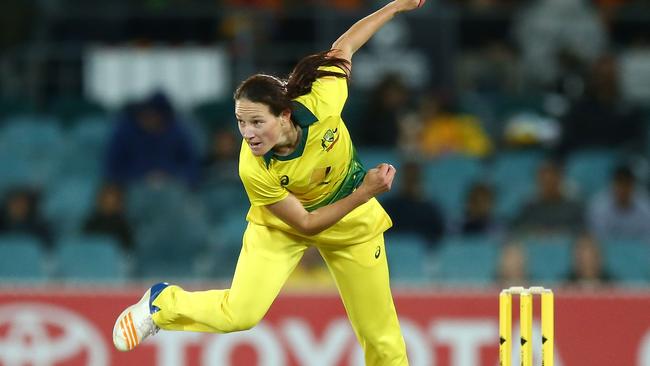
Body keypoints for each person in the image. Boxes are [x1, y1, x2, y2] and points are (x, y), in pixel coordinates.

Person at [113, 2, 427, 364]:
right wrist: (365, 193)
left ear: (285, 114)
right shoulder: (253, 167)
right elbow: (306, 224)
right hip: (284, 227)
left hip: (352, 226)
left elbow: (346, 45)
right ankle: (160, 303)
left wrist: (397, 5)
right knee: (240, 315)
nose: (247, 134)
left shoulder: (323, 101)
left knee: (382, 339)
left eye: (257, 123)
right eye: (241, 123)